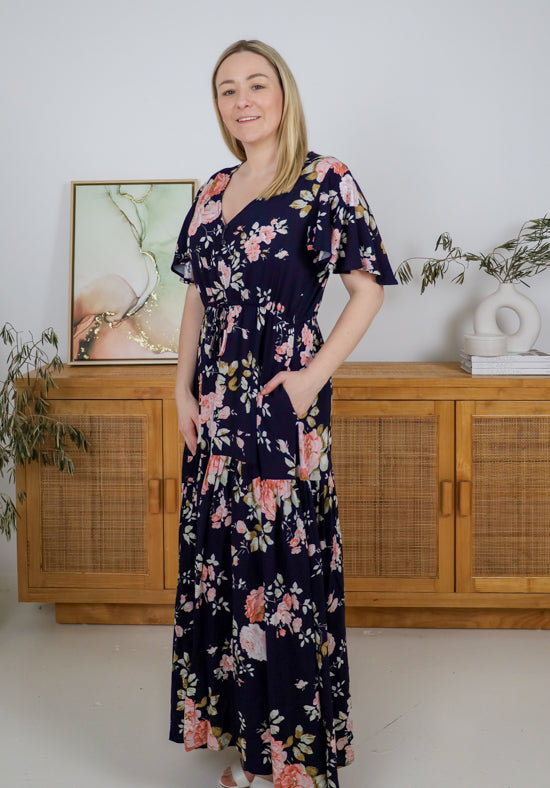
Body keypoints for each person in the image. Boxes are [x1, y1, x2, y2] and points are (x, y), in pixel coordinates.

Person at [170, 39, 397, 788]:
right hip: (214, 412)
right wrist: (180, 388)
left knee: (287, 577)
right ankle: (247, 746)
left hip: (279, 409)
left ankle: (295, 760)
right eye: (229, 89)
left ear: (283, 93)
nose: (244, 100)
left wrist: (310, 381)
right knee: (226, 571)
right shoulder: (213, 189)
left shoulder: (325, 180)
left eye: (257, 84)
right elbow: (198, 298)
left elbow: (368, 289)